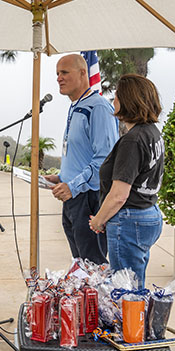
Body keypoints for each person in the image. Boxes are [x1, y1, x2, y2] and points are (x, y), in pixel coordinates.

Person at [89, 74, 164, 351]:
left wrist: (98, 220)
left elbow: (119, 194)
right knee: (136, 291)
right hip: (147, 216)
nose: (113, 100)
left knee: (129, 297)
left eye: (117, 95)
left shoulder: (133, 140)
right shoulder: (152, 133)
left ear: (129, 100)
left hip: (130, 220)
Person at [44, 54, 119, 264]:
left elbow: (104, 160)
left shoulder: (99, 108)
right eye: (57, 73)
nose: (59, 78)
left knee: (92, 266)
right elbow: (80, 153)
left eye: (64, 72)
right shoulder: (76, 105)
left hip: (89, 198)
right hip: (72, 198)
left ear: (83, 73)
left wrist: (73, 186)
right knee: (79, 264)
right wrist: (61, 177)